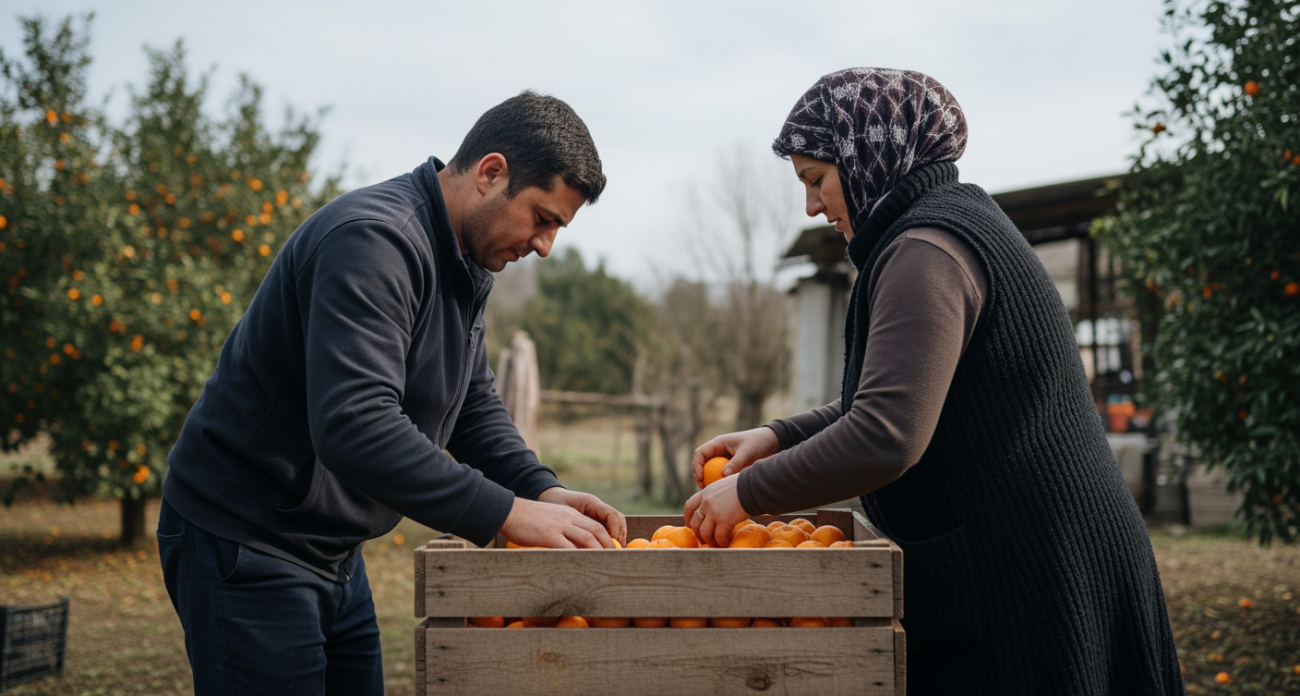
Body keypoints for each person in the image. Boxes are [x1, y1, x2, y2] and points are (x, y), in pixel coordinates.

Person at [685, 69, 1184, 695]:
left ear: (869, 156)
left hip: (1038, 572)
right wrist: (778, 436)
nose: (811, 205)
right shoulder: (943, 226)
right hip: (1039, 556)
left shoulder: (927, 250)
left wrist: (750, 493)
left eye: (816, 180)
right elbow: (901, 395)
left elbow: (887, 432)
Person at [157, 91, 627, 695]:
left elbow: (471, 405)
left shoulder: (463, 261)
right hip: (247, 541)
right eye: (542, 218)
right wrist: (509, 514)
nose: (544, 246)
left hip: (331, 549)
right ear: (491, 173)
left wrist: (543, 489)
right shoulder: (374, 241)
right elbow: (356, 425)